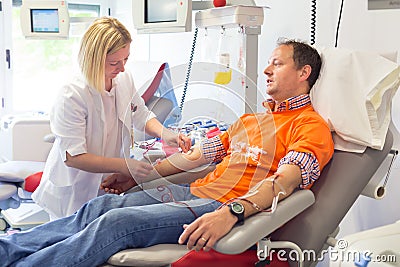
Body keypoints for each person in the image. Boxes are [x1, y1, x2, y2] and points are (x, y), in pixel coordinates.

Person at [1, 38, 334, 267]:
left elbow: (285, 182)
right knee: (101, 206)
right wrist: (138, 174)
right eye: (268, 63)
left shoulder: (310, 126)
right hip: (194, 192)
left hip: (220, 206)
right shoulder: (252, 119)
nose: (266, 70)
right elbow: (197, 155)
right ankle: (6, 250)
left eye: (277, 64)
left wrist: (232, 212)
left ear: (303, 73)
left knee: (116, 222)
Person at [31, 16, 192, 219]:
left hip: (104, 184)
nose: (122, 68)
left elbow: (140, 114)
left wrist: (166, 134)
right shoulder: (72, 94)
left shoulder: (123, 78)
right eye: (114, 62)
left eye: (126, 59)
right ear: (94, 59)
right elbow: (73, 157)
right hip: (72, 188)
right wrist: (124, 165)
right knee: (70, 238)